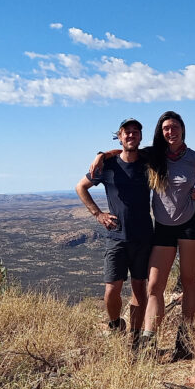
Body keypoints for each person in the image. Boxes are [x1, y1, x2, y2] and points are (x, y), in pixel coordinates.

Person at [92, 110, 195, 360]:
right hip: (163, 228)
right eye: (166, 128)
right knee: (155, 286)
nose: (170, 131)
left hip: (190, 226)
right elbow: (125, 150)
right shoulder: (153, 155)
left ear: (182, 129)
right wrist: (101, 155)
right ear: (160, 132)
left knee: (188, 281)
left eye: (175, 127)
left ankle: (185, 339)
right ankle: (148, 341)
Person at [75, 118, 153, 345]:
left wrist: (102, 153)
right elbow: (80, 187)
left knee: (139, 287)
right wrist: (98, 214)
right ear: (119, 136)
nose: (131, 135)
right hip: (116, 236)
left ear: (140, 136)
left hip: (143, 236)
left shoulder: (148, 162)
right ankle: (115, 323)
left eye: (135, 132)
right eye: (127, 132)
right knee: (111, 289)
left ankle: (135, 337)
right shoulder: (108, 166)